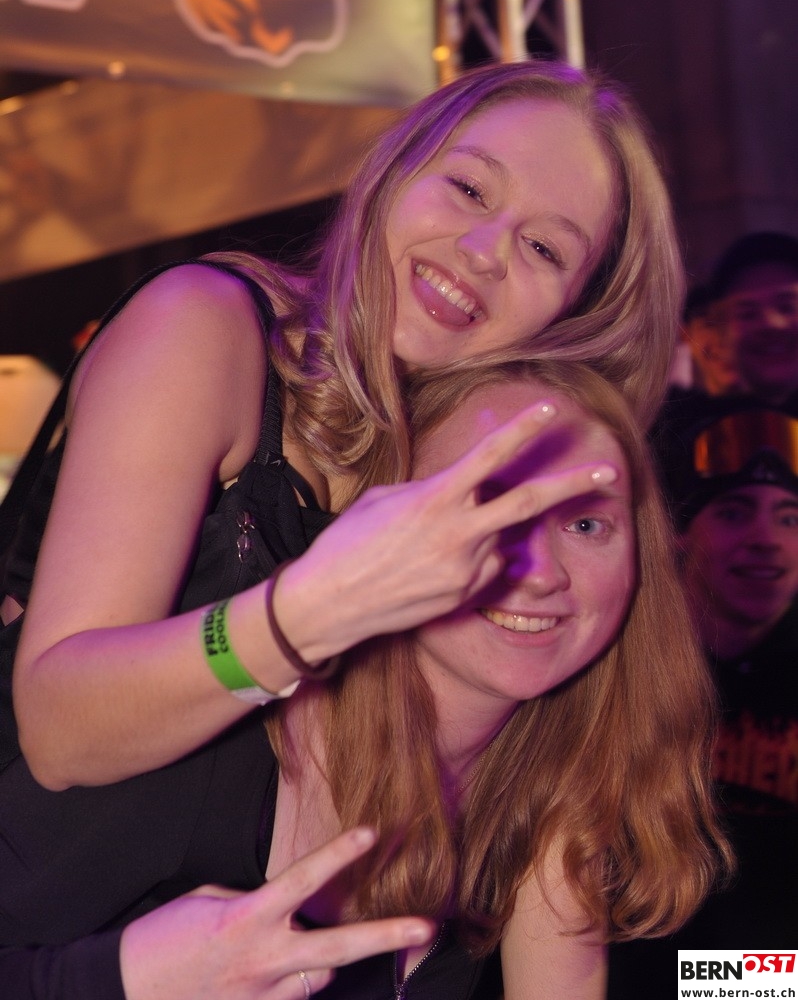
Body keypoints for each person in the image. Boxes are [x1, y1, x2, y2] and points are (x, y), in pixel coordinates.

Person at [0, 58, 685, 793]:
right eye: (468, 189)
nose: (483, 252)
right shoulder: (202, 328)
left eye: (545, 249)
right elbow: (61, 734)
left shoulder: (458, 458)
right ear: (395, 170)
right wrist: (306, 615)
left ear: (578, 314)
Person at [1, 361, 730, 999]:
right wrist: (120, 980)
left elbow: (691, 971)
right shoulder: (209, 752)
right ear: (382, 532)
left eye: (585, 525)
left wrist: (756, 976)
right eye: (484, 504)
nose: (540, 573)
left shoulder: (543, 800)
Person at [608, 404, 798, 999]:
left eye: (790, 518)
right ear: (679, 530)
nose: (766, 541)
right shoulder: (621, 664)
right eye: (734, 512)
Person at [708, 229, 798, 408]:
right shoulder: (703, 424)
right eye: (748, 314)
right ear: (722, 336)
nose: (770, 323)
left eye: (787, 307)